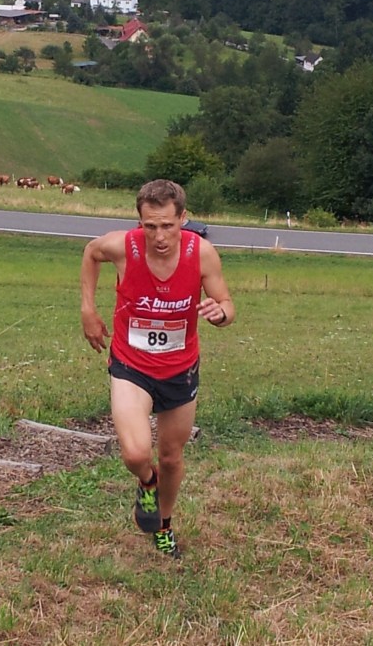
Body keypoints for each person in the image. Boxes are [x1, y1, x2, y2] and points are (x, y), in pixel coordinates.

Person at [81, 179, 235, 559]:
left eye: (167, 225)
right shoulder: (123, 247)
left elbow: (228, 304)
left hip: (180, 369)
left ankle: (164, 526)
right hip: (131, 366)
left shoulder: (202, 254)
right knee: (136, 454)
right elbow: (90, 252)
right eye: (150, 226)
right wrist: (88, 308)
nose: (159, 236)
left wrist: (220, 313)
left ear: (183, 218)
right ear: (140, 222)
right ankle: (146, 484)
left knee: (170, 456)